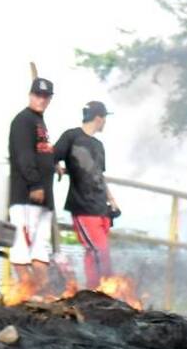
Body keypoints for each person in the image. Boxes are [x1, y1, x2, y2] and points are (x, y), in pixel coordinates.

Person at [54, 101, 119, 288]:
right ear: (99, 118)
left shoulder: (99, 145)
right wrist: (54, 164)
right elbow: (52, 154)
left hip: (101, 207)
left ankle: (93, 292)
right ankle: (103, 292)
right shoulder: (71, 136)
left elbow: (99, 175)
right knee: (100, 252)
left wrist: (111, 200)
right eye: (105, 118)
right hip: (83, 207)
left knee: (95, 254)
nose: (105, 122)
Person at [8, 78, 57, 288]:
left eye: (45, 96)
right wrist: (35, 184)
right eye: (38, 95)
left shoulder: (40, 122)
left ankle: (42, 293)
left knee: (41, 248)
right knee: (22, 246)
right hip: (26, 195)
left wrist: (54, 166)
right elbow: (23, 155)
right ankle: (26, 293)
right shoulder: (23, 120)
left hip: (44, 198)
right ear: (30, 95)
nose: (41, 99)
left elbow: (41, 152)